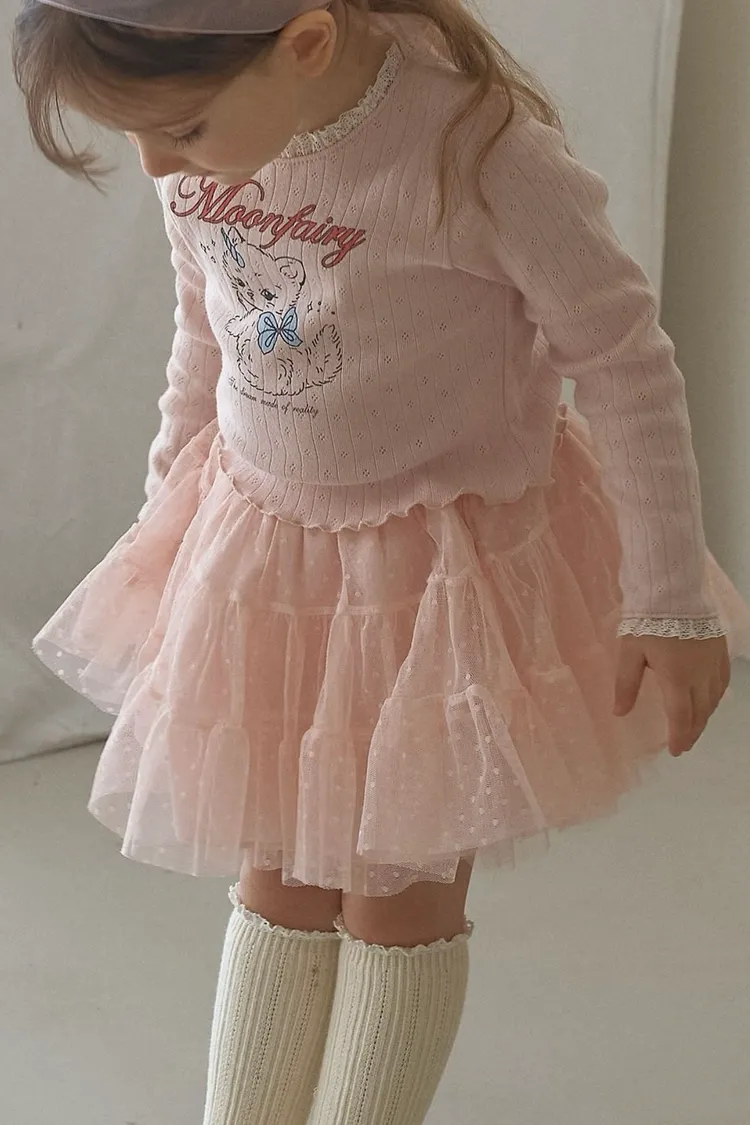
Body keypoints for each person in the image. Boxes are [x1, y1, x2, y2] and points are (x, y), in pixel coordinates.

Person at [13, 0, 750, 1121]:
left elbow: (623, 357)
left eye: (184, 130)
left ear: (305, 44)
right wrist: (170, 505)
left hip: (439, 582)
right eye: (141, 136)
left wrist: (669, 597)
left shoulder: (476, 151)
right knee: (277, 877)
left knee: (395, 896)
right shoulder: (205, 145)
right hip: (271, 564)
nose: (157, 166)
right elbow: (206, 324)